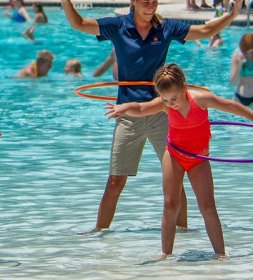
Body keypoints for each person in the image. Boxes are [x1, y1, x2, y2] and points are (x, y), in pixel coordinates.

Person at [51, 0, 242, 233]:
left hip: (164, 111)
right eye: (145, 2)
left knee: (177, 178)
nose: (151, 7)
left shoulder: (166, 28)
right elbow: (79, 24)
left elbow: (206, 30)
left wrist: (232, 15)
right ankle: (98, 235)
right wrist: (65, 0)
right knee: (116, 180)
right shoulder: (118, 26)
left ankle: (182, 233)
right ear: (134, 1)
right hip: (128, 112)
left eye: (154, 1)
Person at [105, 63, 253, 260]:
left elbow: (230, 106)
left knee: (208, 206)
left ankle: (221, 255)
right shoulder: (165, 104)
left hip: (198, 159)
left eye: (174, 98)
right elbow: (141, 108)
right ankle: (165, 254)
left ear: (184, 87)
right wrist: (125, 107)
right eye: (166, 99)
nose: (171, 103)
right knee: (170, 204)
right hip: (174, 156)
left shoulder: (200, 99)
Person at [231, 33, 253, 105]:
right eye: (246, 53)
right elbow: (233, 82)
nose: (249, 56)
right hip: (239, 99)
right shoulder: (237, 56)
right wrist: (239, 64)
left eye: (252, 52)